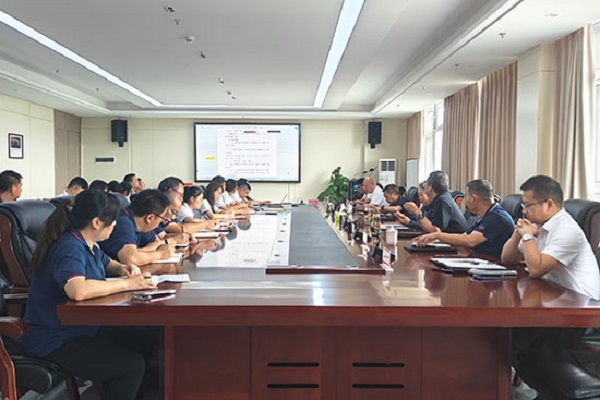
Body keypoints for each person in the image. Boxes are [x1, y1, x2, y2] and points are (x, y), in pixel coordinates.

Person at [19, 190, 157, 399]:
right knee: (131, 366)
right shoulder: (69, 246)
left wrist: (122, 269)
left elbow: (107, 263)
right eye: (111, 221)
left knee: (143, 339)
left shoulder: (88, 243)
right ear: (96, 222)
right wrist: (127, 284)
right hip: (55, 339)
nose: (115, 225)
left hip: (81, 328)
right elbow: (78, 290)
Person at [501, 175, 600, 300]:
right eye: (523, 206)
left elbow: (536, 270)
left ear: (548, 204)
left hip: (583, 303)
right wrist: (517, 233)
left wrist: (527, 235)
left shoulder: (567, 231)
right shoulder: (538, 225)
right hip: (555, 293)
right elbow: (507, 259)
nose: (524, 211)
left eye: (528, 205)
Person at [414, 179, 514, 259]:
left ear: (474, 198)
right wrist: (436, 238)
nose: (465, 200)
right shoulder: (488, 213)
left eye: (466, 196)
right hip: (480, 259)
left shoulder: (497, 217)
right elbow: (465, 236)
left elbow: (470, 241)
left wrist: (437, 235)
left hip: (494, 267)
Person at [99, 189, 174, 265]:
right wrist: (159, 254)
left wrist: (140, 253)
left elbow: (156, 243)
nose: (160, 222)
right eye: (162, 218)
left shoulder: (139, 223)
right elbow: (130, 258)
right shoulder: (123, 223)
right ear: (149, 218)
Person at [403, 171, 468, 233]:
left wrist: (417, 212)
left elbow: (436, 231)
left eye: (426, 183)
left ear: (430, 188)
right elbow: (428, 224)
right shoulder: (439, 198)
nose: (424, 185)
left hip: (454, 240)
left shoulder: (441, 200)